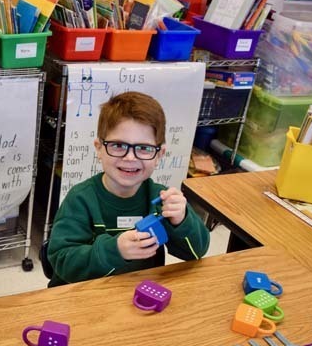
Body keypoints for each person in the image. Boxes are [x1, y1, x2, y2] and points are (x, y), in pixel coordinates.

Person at [47, 91, 210, 286]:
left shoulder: (161, 199)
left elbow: (197, 252)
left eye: (144, 148)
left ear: (159, 155)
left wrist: (181, 220)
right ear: (99, 148)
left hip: (137, 297)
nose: (130, 157)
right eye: (117, 145)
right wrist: (115, 250)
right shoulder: (80, 199)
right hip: (83, 297)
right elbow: (62, 262)